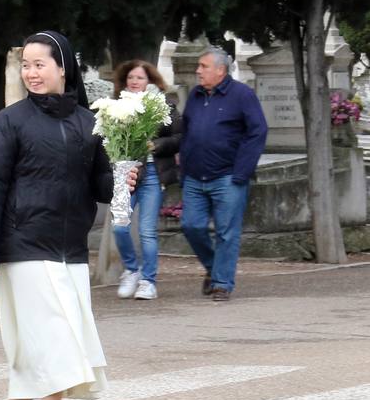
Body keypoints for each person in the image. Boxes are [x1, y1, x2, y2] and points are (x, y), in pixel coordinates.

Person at [0, 31, 118, 400]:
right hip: (25, 246)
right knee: (57, 338)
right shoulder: (11, 121)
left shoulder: (88, 122)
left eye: (40, 64)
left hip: (70, 248)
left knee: (43, 343)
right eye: (26, 65)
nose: (31, 73)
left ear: (63, 67)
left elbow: (101, 187)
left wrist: (127, 173)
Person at [167, 48, 267, 301]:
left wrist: (242, 171)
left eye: (203, 66)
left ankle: (222, 284)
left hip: (228, 176)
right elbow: (187, 130)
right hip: (194, 176)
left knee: (227, 232)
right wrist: (184, 164)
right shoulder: (196, 95)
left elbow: (258, 132)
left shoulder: (242, 95)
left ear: (220, 70)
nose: (198, 71)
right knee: (191, 225)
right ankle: (214, 268)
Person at [109, 59, 178, 301]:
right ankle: (131, 269)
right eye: (131, 78)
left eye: (140, 77)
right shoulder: (116, 107)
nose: (135, 82)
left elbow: (179, 137)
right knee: (119, 226)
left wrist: (156, 145)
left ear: (150, 81)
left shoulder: (164, 106)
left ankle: (149, 281)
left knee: (147, 230)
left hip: (152, 173)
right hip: (125, 173)